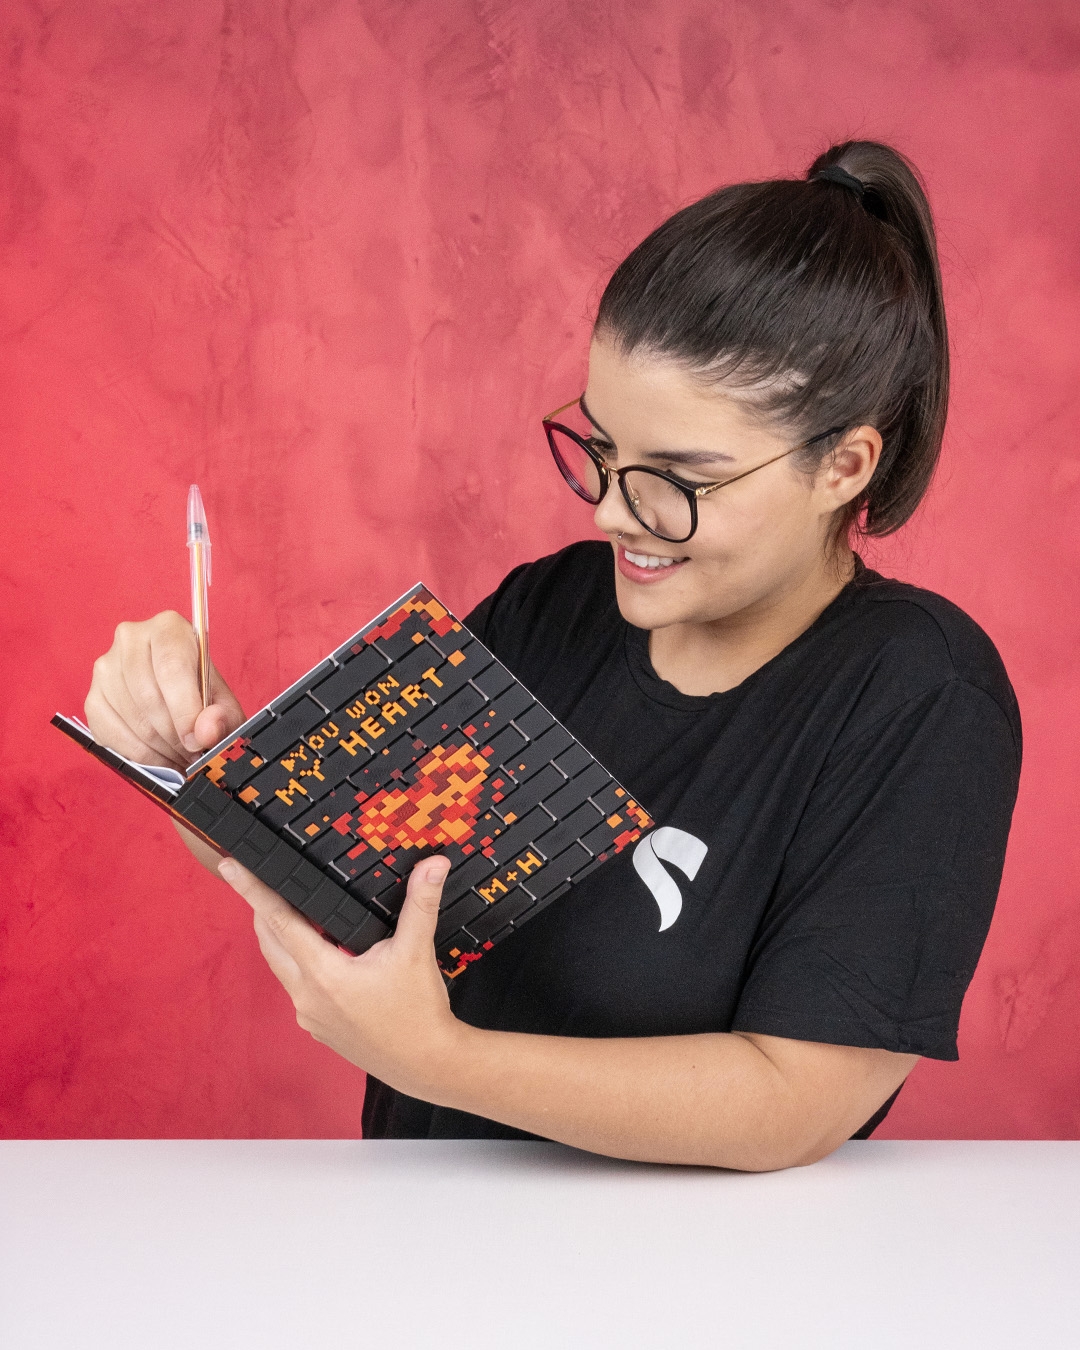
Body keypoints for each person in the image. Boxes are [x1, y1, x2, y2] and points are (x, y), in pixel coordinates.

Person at [85, 141, 1021, 1170]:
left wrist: (443, 1061)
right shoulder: (551, 609)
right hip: (419, 1235)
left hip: (689, 1264)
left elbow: (797, 1103)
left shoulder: (921, 694)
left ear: (843, 465)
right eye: (603, 450)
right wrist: (198, 766)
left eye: (678, 481)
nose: (615, 511)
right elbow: (346, 891)